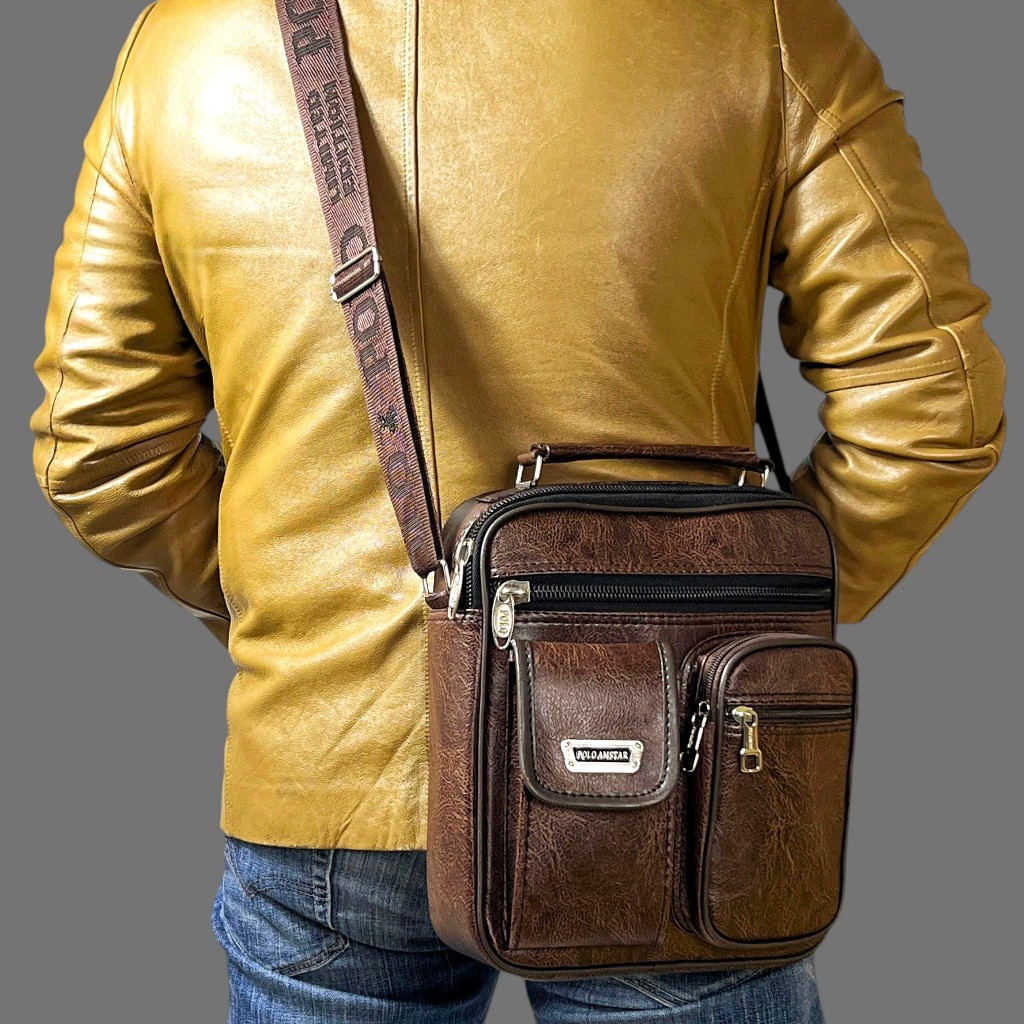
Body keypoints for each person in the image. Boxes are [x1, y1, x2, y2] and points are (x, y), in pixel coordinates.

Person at [29, 0, 1006, 1021]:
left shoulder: (181, 45)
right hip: (678, 760)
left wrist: (294, 624)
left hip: (330, 776)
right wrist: (747, 639)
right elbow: (936, 405)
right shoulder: (758, 24)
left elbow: (93, 450)